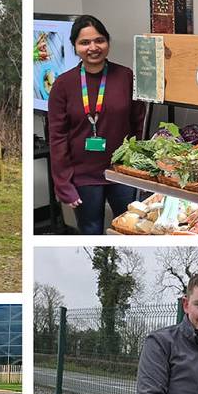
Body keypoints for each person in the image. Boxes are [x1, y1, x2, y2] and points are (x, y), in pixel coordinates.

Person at [47, 14, 146, 235]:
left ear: (107, 42)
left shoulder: (126, 77)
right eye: (85, 42)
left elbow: (139, 124)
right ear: (75, 46)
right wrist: (63, 184)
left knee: (130, 230)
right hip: (83, 176)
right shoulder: (63, 85)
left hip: (122, 172)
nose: (93, 47)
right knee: (90, 231)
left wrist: (138, 170)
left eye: (99, 40)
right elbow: (57, 137)